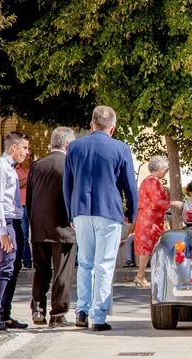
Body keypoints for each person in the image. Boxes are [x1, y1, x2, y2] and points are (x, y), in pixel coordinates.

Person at [63, 106, 138, 332]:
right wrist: (132, 213)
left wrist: (70, 213)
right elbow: (129, 186)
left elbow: (67, 184)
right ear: (112, 128)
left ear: (91, 124)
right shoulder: (121, 148)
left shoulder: (74, 147)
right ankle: (98, 315)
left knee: (85, 263)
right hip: (109, 212)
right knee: (104, 264)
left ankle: (81, 311)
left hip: (82, 212)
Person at [27, 127, 77, 328]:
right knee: (62, 273)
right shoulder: (70, 164)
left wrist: (32, 223)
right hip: (63, 228)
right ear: (68, 145)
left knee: (41, 270)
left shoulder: (37, 165)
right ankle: (58, 314)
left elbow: (29, 199)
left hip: (38, 228)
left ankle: (37, 310)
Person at [0, 131, 30, 331]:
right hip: (6, 223)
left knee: (14, 268)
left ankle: (5, 314)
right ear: (14, 147)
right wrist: (3, 231)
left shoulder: (11, 168)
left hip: (16, 222)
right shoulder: (0, 168)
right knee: (6, 268)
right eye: (25, 148)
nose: (26, 153)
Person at [133, 156, 183, 288]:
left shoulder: (148, 181)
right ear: (159, 169)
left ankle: (144, 275)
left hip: (149, 218)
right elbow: (157, 202)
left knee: (149, 247)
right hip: (150, 220)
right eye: (165, 169)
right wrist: (173, 203)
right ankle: (141, 276)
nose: (166, 171)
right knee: (148, 248)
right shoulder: (153, 182)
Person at [16, 149, 35, 268]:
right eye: (27, 155)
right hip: (21, 205)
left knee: (37, 234)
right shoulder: (15, 169)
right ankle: (26, 260)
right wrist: (28, 180)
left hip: (34, 205)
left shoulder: (36, 169)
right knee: (24, 235)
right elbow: (16, 185)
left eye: (31, 156)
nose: (29, 158)